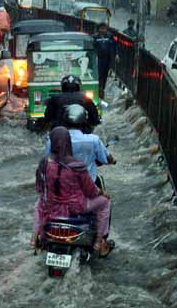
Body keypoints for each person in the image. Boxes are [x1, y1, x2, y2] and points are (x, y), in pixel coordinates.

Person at [32, 127, 112, 256]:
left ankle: (35, 239)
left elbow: (39, 187)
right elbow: (91, 190)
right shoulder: (77, 165)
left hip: (50, 207)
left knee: (38, 204)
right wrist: (102, 193)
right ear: (68, 143)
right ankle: (99, 243)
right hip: (77, 207)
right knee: (105, 202)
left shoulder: (44, 163)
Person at [45, 104, 114, 184]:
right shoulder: (94, 140)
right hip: (89, 184)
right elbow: (106, 159)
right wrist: (112, 160)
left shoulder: (53, 140)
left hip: (63, 186)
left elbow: (47, 164)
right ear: (85, 121)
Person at [93, 22, 116, 106]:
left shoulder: (110, 36)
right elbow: (93, 47)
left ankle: (102, 87)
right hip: (98, 59)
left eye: (105, 28)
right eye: (101, 28)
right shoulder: (95, 37)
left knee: (105, 75)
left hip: (107, 59)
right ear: (99, 29)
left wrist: (116, 55)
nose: (103, 30)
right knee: (99, 75)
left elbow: (114, 46)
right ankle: (99, 90)